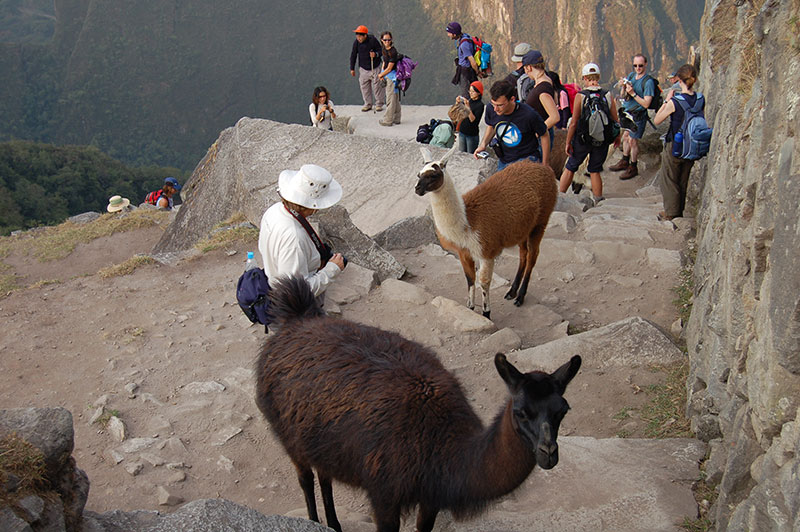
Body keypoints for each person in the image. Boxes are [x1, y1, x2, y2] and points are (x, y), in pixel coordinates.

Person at [258, 164, 346, 302]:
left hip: (273, 278)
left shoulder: (275, 210)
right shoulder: (294, 238)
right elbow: (296, 293)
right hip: (295, 308)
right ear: (312, 206)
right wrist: (332, 269)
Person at [558, 63, 619, 205]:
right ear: (598, 77)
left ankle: (560, 198)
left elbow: (574, 122)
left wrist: (568, 142)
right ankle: (598, 200)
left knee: (571, 167)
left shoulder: (581, 96)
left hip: (582, 139)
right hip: (601, 140)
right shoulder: (607, 95)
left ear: (585, 78)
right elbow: (615, 120)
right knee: (595, 170)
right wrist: (617, 138)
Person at [653, 64, 702, 221]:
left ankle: (671, 213)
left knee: (668, 179)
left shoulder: (676, 102)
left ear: (679, 80)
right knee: (683, 179)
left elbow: (657, 120)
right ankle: (679, 211)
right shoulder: (700, 99)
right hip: (693, 144)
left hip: (675, 143)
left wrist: (667, 101)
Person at [474, 79, 548, 172]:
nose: (496, 109)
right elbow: (492, 125)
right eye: (493, 104)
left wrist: (544, 164)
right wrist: (483, 144)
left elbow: (544, 134)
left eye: (500, 105)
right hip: (504, 160)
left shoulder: (528, 114)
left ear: (512, 99)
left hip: (526, 158)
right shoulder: (491, 109)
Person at [609, 53, 655, 180]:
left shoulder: (648, 82)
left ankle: (633, 167)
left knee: (633, 140)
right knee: (626, 136)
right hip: (628, 113)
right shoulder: (631, 76)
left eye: (640, 65)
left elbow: (646, 103)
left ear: (645, 64)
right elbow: (624, 95)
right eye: (635, 65)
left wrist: (633, 93)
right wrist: (623, 88)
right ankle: (624, 161)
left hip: (638, 115)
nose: (638, 68)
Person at [522, 50, 559, 165]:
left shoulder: (542, 89)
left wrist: (538, 131)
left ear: (528, 67)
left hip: (540, 139)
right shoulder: (546, 80)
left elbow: (554, 117)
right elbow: (556, 101)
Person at [349, 25, 384, 112]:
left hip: (374, 67)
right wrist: (352, 68)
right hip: (363, 68)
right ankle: (368, 104)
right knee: (364, 87)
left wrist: (375, 54)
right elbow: (353, 55)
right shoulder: (356, 43)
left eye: (360, 36)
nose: (358, 38)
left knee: (377, 87)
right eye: (357, 36)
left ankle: (379, 104)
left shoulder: (372, 41)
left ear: (365, 35)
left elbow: (381, 51)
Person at [446, 22, 480, 98]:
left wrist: (477, 72)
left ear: (454, 34)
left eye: (449, 33)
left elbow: (472, 61)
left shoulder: (464, 44)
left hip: (466, 73)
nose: (448, 35)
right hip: (466, 70)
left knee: (466, 96)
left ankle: (467, 109)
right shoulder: (465, 37)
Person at [378, 31, 401, 127]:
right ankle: (396, 118)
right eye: (385, 40)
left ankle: (388, 120)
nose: (387, 41)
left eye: (389, 40)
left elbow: (390, 68)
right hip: (389, 76)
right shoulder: (385, 49)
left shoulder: (392, 52)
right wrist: (382, 73)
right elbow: (385, 62)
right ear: (381, 40)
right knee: (395, 98)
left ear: (391, 40)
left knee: (390, 99)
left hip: (392, 77)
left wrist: (380, 75)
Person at [455, 80, 485, 153]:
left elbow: (473, 120)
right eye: (470, 91)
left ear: (478, 93)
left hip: (471, 135)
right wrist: (457, 103)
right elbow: (459, 113)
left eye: (473, 92)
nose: (470, 93)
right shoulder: (469, 101)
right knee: (461, 154)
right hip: (462, 131)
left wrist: (468, 107)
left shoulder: (480, 105)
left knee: (470, 155)